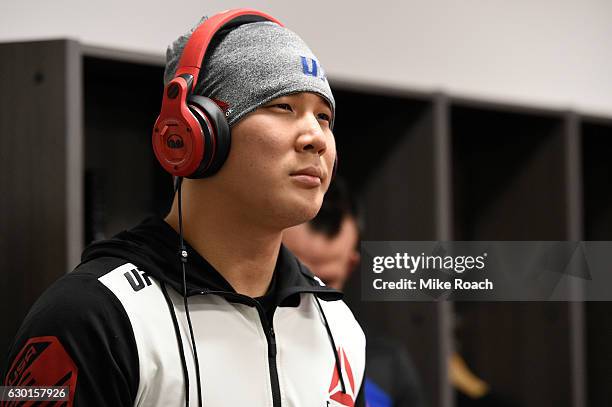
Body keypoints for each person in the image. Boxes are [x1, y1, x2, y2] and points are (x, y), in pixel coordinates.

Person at [1, 9, 365, 407]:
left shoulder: (337, 324)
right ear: (197, 132)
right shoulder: (88, 315)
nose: (316, 137)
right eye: (282, 107)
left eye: (324, 116)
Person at [283, 178, 427, 407]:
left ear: (350, 265)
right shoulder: (237, 346)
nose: (307, 293)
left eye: (325, 281)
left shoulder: (384, 363)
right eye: (293, 275)